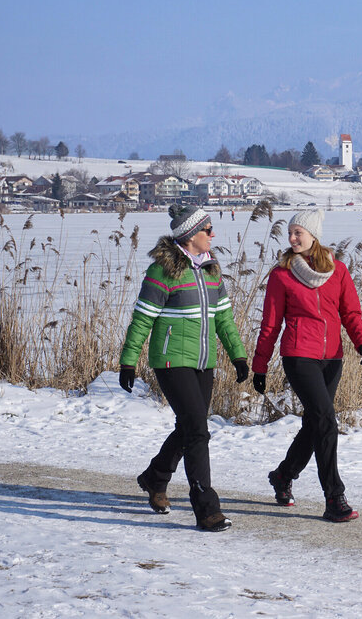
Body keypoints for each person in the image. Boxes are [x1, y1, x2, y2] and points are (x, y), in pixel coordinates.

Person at [119, 204, 248, 532]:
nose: (213, 234)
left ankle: (155, 477)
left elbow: (224, 319)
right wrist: (128, 361)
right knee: (197, 431)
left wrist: (238, 356)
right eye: (207, 229)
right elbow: (142, 319)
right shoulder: (162, 271)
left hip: (203, 362)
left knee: (191, 427)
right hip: (170, 360)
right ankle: (206, 508)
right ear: (190, 235)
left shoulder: (211, 270)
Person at [251, 208, 362, 522]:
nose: (291, 238)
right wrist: (260, 365)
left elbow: (351, 314)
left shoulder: (338, 271)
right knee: (326, 420)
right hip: (298, 355)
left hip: (332, 358)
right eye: (290, 233)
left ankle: (283, 475)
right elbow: (270, 324)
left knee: (315, 423)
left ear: (313, 235)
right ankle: (334, 497)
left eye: (297, 233)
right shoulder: (281, 275)